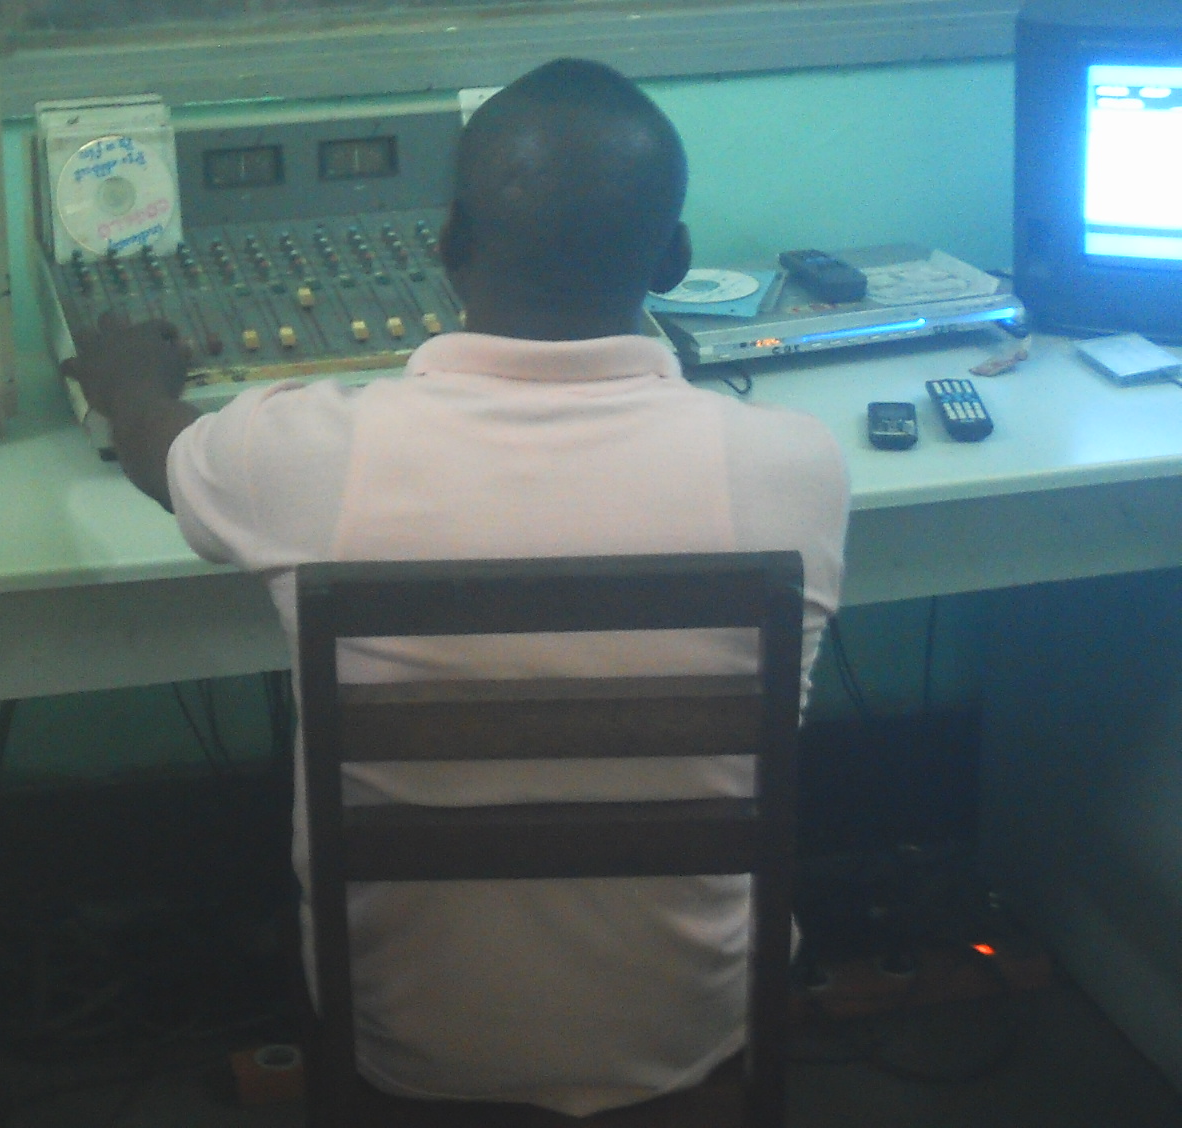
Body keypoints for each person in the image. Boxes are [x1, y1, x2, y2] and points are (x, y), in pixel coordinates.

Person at [61, 59, 849, 1116]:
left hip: (408, 1044)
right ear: (673, 259)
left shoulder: (303, 457)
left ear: (445, 244)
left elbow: (155, 451)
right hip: (697, 1029)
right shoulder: (794, 469)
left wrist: (128, 380)